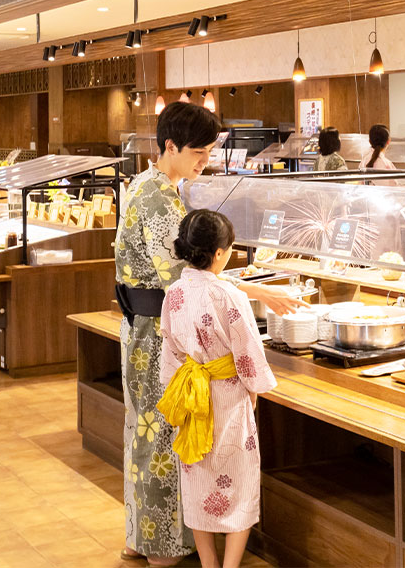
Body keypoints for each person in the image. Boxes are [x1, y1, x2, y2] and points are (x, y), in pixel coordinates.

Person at [115, 101, 305, 567]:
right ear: (169, 146)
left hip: (145, 326)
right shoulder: (159, 197)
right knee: (163, 435)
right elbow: (185, 275)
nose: (205, 161)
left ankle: (141, 537)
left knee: (144, 433)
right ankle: (160, 546)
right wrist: (258, 294)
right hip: (159, 334)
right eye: (198, 152)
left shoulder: (146, 183)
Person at [158, 209, 276, 568]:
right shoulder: (230, 295)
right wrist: (255, 389)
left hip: (192, 396)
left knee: (197, 479)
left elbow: (170, 353)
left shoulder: (174, 292)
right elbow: (248, 352)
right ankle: (230, 566)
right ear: (220, 253)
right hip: (227, 396)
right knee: (238, 483)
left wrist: (181, 386)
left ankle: (209, 563)